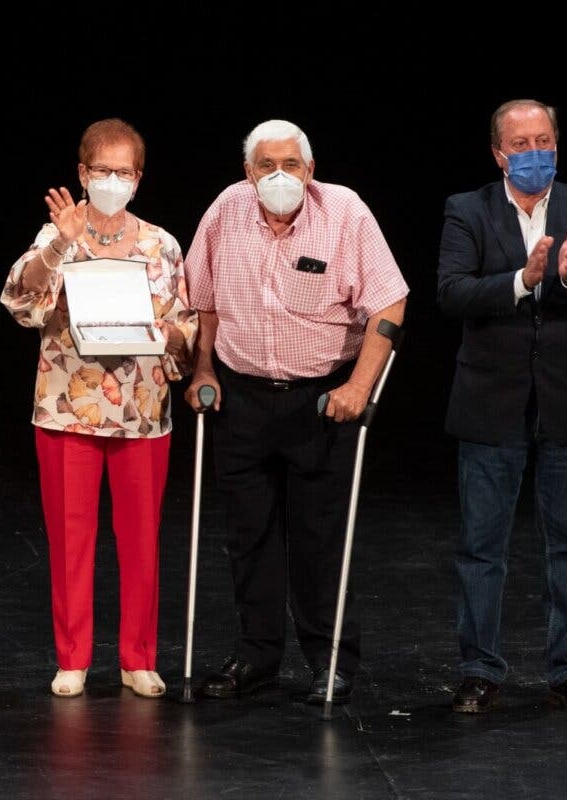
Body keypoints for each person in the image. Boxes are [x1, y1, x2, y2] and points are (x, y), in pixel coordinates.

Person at [183, 119, 408, 705]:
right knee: (248, 535)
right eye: (265, 165)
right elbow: (202, 301)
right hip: (242, 395)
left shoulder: (345, 213)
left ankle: (330, 659)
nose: (278, 176)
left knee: (317, 538)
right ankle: (256, 655)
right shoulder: (226, 211)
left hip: (321, 400)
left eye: (290, 165)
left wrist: (360, 387)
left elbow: (390, 300)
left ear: (310, 171)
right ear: (247, 171)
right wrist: (203, 370)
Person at [437, 99, 567, 715]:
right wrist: (523, 280)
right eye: (520, 145)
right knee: (482, 546)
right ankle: (479, 668)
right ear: (499, 153)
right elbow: (450, 292)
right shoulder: (466, 209)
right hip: (491, 401)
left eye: (543, 141)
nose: (533, 153)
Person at [0, 118, 197, 699]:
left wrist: (169, 336)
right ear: (83, 174)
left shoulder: (162, 244)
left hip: (142, 411)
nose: (113, 180)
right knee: (70, 536)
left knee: (141, 538)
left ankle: (139, 657)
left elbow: (186, 322)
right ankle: (73, 657)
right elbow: (19, 301)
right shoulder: (56, 235)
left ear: (138, 178)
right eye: (102, 171)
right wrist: (61, 243)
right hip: (67, 409)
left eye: (124, 172)